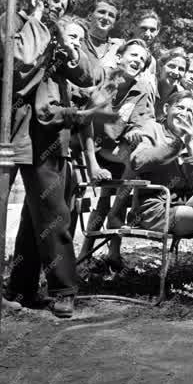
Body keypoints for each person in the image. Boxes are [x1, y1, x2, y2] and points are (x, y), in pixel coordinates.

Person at [0, 0, 80, 330]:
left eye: (62, 2)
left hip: (21, 128)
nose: (55, 6)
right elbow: (22, 59)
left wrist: (63, 40)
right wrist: (40, 19)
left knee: (44, 208)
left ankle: (38, 287)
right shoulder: (12, 23)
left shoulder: (55, 36)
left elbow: (87, 74)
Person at [6, 14, 97, 319]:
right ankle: (54, 290)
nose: (71, 42)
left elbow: (92, 79)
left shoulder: (73, 65)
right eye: (66, 36)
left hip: (57, 150)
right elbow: (47, 113)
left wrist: (74, 53)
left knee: (42, 217)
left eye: (77, 38)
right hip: (32, 144)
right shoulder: (40, 61)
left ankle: (33, 289)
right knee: (47, 217)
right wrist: (79, 113)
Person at [112, 91, 193, 280]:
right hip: (155, 210)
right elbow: (138, 161)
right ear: (167, 109)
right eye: (180, 108)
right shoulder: (153, 128)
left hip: (184, 207)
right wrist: (177, 144)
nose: (185, 114)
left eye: (191, 111)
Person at [77, 39, 154, 269]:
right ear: (119, 57)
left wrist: (136, 132)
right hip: (90, 146)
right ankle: (86, 251)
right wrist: (91, 161)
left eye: (142, 59)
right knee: (103, 197)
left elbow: (142, 121)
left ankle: (112, 251)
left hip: (118, 151)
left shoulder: (141, 90)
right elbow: (85, 122)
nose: (137, 61)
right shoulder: (103, 79)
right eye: (133, 55)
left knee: (131, 162)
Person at [85, 0, 123, 74]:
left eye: (111, 15)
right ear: (90, 16)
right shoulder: (78, 40)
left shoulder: (117, 48)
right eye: (102, 12)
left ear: (114, 23)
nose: (106, 18)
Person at [154, 47, 188, 120]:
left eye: (181, 69)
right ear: (161, 66)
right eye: (171, 66)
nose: (176, 72)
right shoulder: (149, 85)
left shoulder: (180, 96)